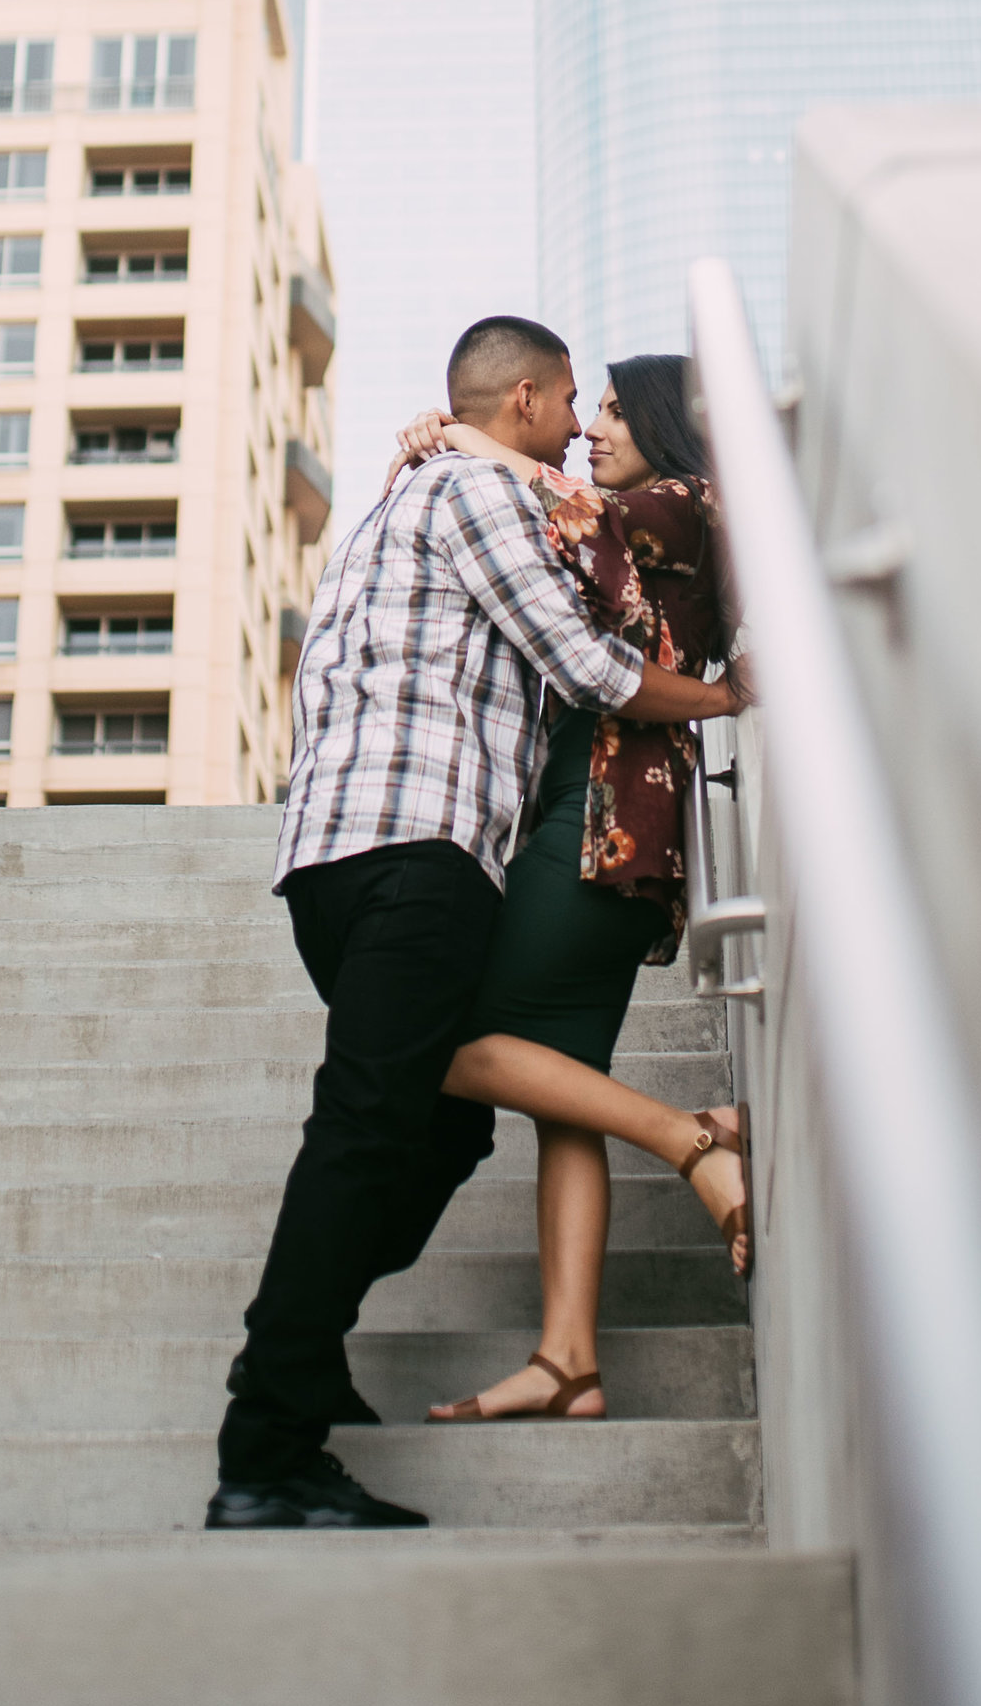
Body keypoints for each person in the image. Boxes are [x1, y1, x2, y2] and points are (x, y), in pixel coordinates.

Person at [207, 314, 741, 1532]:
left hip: (340, 855)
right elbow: (590, 664)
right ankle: (267, 1448)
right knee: (363, 1134)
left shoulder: (408, 498)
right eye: (566, 407)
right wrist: (723, 694)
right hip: (415, 852)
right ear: (528, 399)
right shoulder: (474, 494)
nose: (575, 431)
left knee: (433, 1132)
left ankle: (307, 1351)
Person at [390, 356, 751, 1425]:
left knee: (440, 1040)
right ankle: (567, 1360)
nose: (591, 427)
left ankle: (691, 1141)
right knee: (562, 1089)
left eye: (610, 408)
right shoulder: (665, 511)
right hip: (600, 811)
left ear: (665, 421)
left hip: (602, 812)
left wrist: (466, 441)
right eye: (585, 409)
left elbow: (574, 528)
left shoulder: (682, 505)